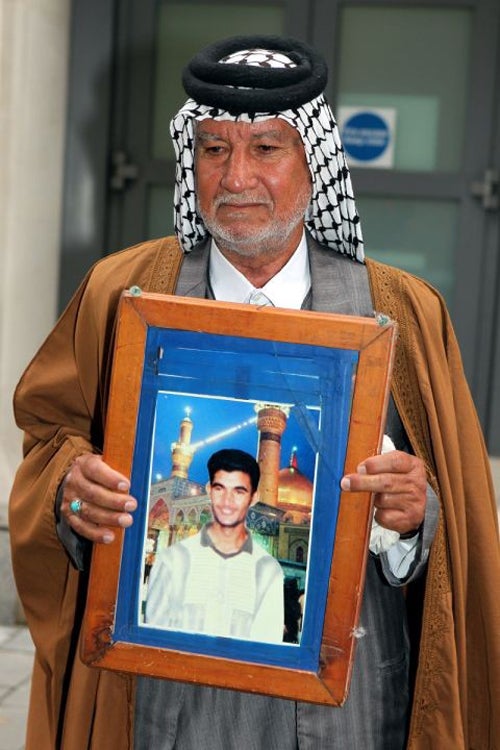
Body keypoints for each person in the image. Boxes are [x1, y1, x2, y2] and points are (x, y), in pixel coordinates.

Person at [8, 34, 499, 750]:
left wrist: (414, 518)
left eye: (266, 149)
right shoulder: (125, 295)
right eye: (213, 150)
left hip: (347, 700)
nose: (236, 176)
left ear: (314, 163)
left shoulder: (401, 312)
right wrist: (71, 489)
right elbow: (50, 439)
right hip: (163, 698)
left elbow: (457, 527)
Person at [145, 448, 284, 643]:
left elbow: (267, 650)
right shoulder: (172, 561)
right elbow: (151, 645)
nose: (227, 502)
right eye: (220, 489)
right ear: (209, 491)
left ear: (253, 498)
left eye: (239, 491)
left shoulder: (267, 570)